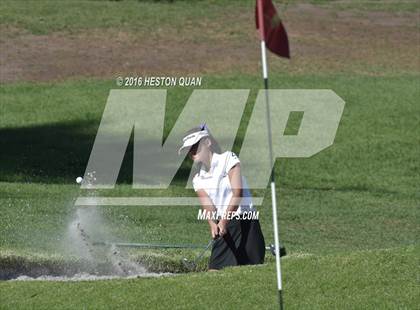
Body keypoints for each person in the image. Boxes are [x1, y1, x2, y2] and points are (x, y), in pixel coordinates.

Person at [179, 124, 266, 270]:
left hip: (246, 222)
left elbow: (237, 193)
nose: (192, 151)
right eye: (189, 149)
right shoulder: (197, 178)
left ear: (207, 142)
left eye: (195, 146)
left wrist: (224, 221)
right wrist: (213, 224)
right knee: (215, 271)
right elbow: (208, 206)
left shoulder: (228, 158)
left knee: (253, 272)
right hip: (226, 226)